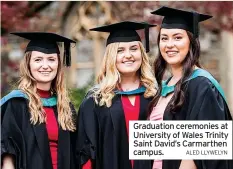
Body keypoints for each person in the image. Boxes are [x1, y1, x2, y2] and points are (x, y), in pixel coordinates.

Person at [149, 6, 232, 169]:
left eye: (177, 37)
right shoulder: (165, 86)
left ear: (191, 42)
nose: (169, 44)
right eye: (164, 38)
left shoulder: (202, 85)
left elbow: (200, 151)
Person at [76, 21, 157, 169]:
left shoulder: (155, 96)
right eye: (120, 50)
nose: (128, 55)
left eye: (134, 49)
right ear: (111, 56)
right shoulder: (95, 100)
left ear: (142, 54)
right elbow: (85, 152)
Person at [1, 32, 77, 169]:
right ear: (28, 64)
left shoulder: (66, 107)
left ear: (58, 64)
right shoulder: (16, 104)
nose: (45, 65)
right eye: (38, 60)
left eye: (51, 59)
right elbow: (7, 152)